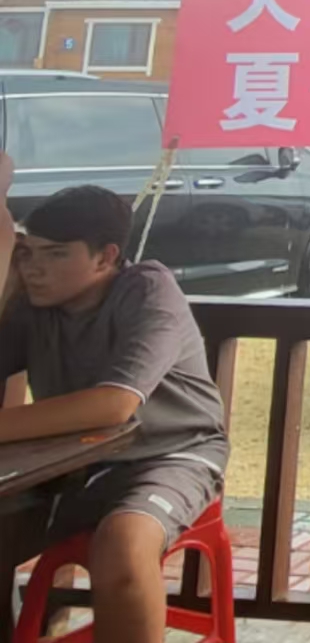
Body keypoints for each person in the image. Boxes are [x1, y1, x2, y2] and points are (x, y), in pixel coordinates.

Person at [0, 158, 230, 643]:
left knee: (123, 548)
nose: (34, 268)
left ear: (105, 257)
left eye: (55, 254)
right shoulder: (33, 304)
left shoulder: (148, 290)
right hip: (71, 464)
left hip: (173, 453)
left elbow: (114, 405)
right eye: (27, 253)